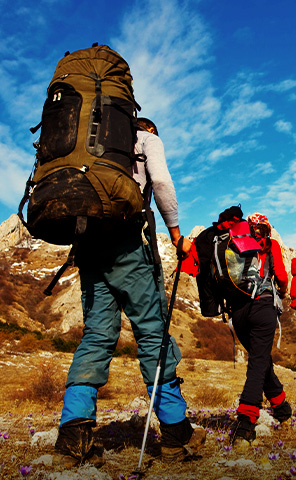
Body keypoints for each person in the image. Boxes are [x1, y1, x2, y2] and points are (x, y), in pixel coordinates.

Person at [53, 118, 205, 466]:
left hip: (89, 246)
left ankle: (74, 434)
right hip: (128, 245)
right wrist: (177, 234)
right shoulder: (145, 139)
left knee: (95, 336)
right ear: (149, 129)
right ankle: (174, 431)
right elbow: (162, 182)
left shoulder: (91, 146)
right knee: (153, 332)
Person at [227, 211, 292, 444]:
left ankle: (281, 407)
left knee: (260, 358)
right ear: (267, 229)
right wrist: (282, 291)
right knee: (257, 363)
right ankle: (246, 422)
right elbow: (282, 276)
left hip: (239, 312)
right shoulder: (271, 244)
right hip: (263, 307)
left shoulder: (236, 244)